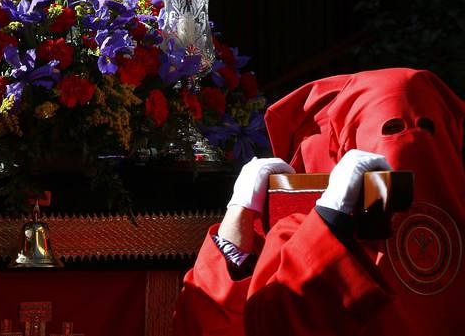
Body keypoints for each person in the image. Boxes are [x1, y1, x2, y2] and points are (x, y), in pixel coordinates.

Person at [174, 68, 465, 336]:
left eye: (427, 126)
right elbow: (227, 325)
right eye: (390, 128)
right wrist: (240, 215)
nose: (409, 141)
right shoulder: (296, 233)